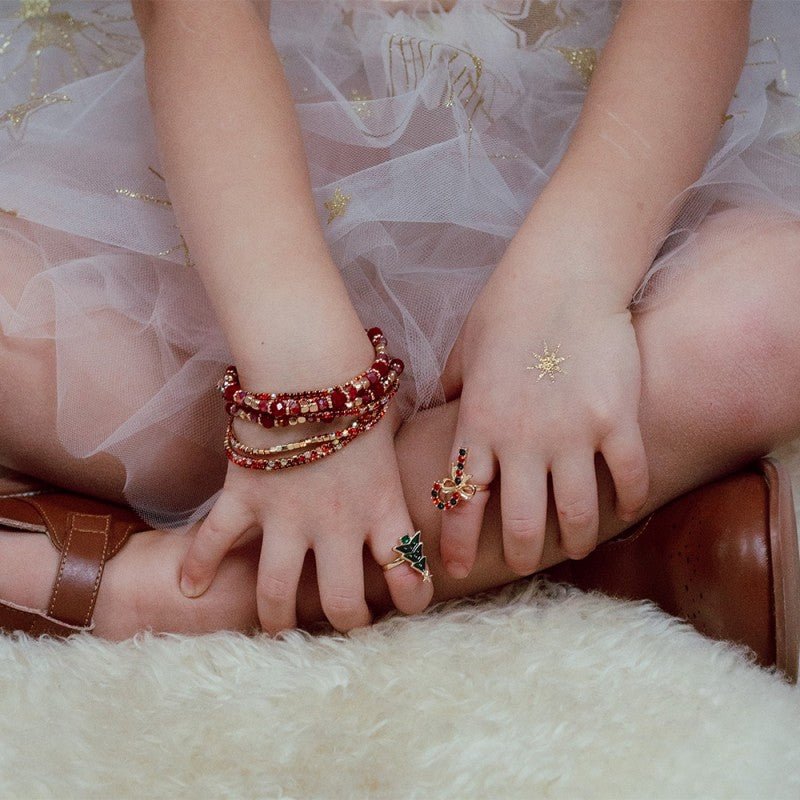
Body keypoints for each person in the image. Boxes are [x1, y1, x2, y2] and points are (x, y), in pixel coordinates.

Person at [0, 0, 799, 650]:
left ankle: (191, 600)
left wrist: (569, 294)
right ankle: (602, 551)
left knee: (776, 312)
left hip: (599, 192)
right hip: (224, 224)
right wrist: (306, 387)